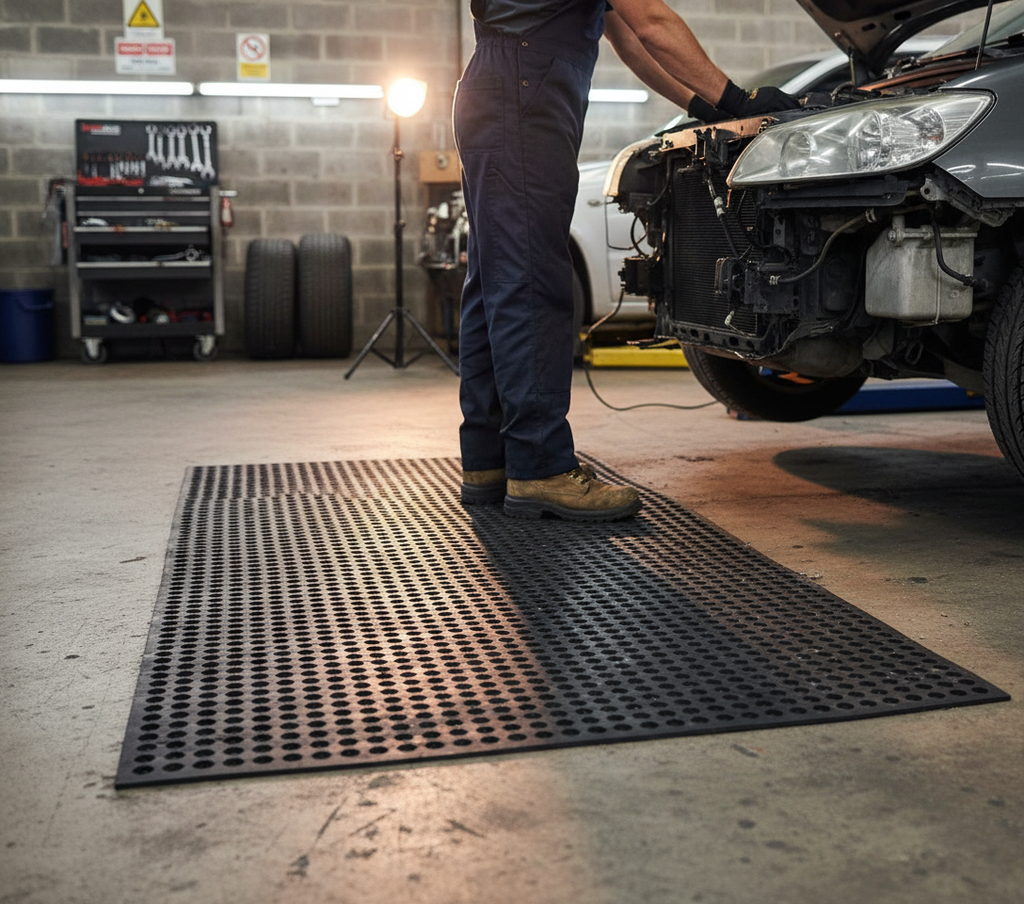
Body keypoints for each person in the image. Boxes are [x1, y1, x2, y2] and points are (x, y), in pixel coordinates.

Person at [454, 0, 798, 521]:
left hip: (501, 90)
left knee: (494, 281)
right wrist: (735, 97)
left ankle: (490, 463)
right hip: (523, 93)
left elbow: (628, 38)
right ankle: (540, 467)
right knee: (532, 284)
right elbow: (651, 22)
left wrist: (704, 105)